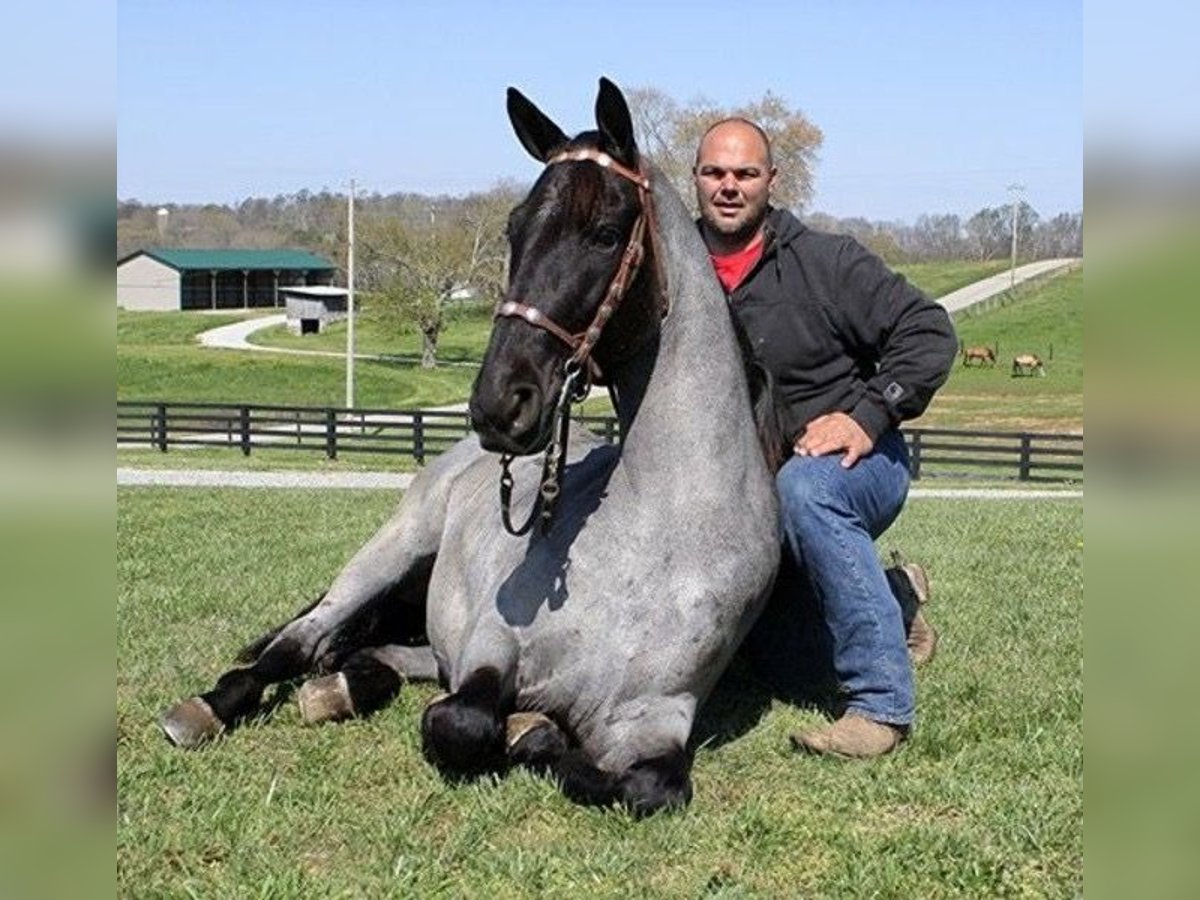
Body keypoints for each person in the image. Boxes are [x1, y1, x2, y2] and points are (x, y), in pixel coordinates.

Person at [693, 118, 957, 758]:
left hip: (850, 465)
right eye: (714, 173)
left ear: (771, 181)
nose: (729, 187)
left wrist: (866, 416)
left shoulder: (825, 262)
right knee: (779, 662)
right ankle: (894, 604)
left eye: (745, 174)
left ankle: (879, 707)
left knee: (805, 488)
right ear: (695, 179)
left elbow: (929, 332)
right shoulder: (674, 275)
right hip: (741, 493)